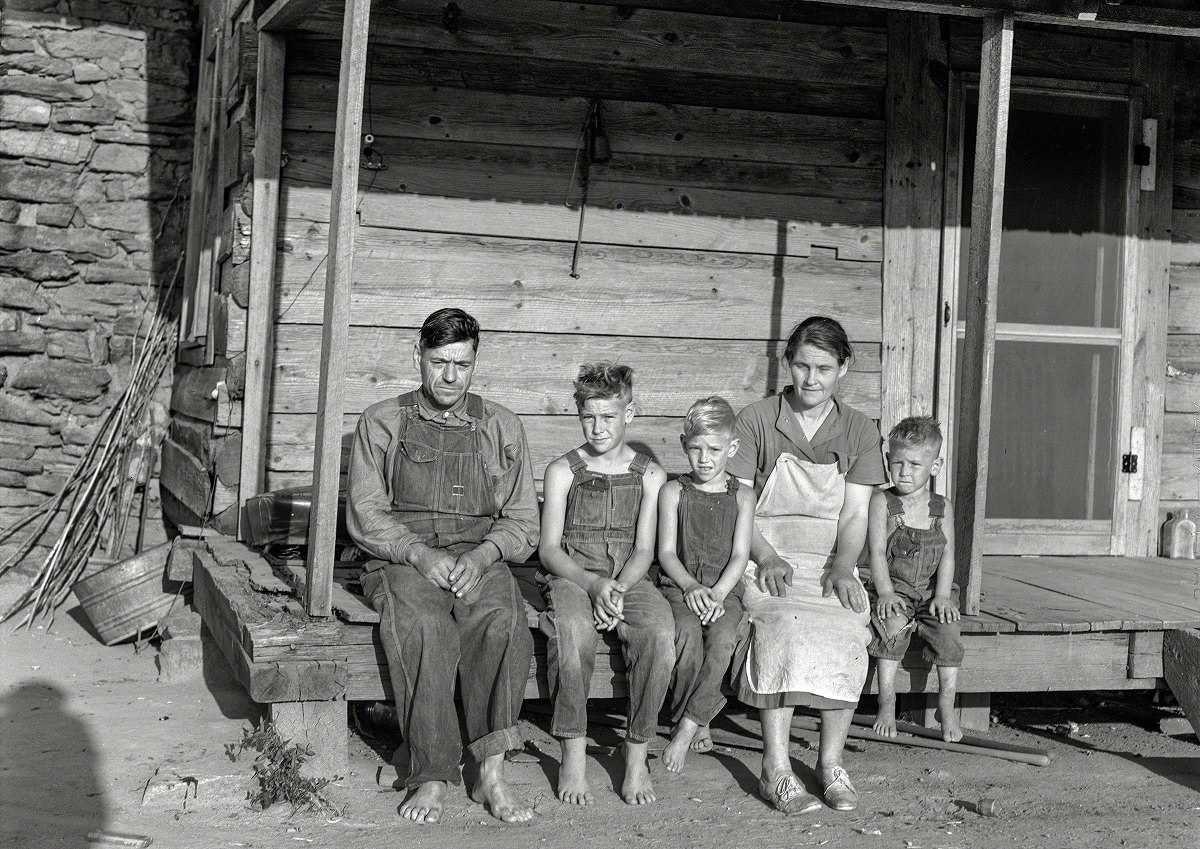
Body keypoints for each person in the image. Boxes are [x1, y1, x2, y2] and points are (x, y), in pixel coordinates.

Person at [345, 308, 538, 825]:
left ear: (476, 362)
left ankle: (490, 773)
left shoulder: (501, 425)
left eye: (463, 364)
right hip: (403, 558)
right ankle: (431, 774)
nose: (451, 376)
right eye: (439, 362)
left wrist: (483, 556)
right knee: (427, 626)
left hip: (478, 557)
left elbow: (521, 521)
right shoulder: (381, 420)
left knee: (501, 622)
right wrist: (419, 555)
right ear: (418, 358)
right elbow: (365, 513)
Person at [725, 316, 887, 815]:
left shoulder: (860, 429)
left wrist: (842, 567)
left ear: (844, 368)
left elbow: (856, 511)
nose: (811, 379)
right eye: (801, 366)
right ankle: (776, 767)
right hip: (765, 551)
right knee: (783, 627)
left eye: (823, 367)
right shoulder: (757, 419)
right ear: (787, 363)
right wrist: (766, 555)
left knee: (846, 625)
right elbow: (739, 502)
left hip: (830, 557)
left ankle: (830, 762)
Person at [538, 362, 674, 806]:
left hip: (629, 580)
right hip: (574, 575)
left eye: (608, 416)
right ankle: (573, 751)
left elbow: (644, 551)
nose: (597, 427)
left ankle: (636, 752)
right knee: (573, 632)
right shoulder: (563, 471)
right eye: (588, 416)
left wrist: (615, 588)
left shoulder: (650, 475)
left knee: (659, 633)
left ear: (629, 413)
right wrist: (593, 584)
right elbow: (550, 550)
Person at [656, 397, 756, 774]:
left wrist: (716, 593)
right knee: (685, 636)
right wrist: (690, 588)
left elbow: (740, 556)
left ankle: (686, 726)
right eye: (695, 448)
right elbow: (666, 552)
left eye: (714, 449)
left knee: (724, 640)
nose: (704, 458)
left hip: (723, 591)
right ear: (684, 444)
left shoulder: (743, 496)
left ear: (731, 448)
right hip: (679, 587)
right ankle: (698, 717)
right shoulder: (673, 492)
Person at [866, 416, 964, 743]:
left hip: (932, 592)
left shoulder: (942, 507)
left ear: (934, 467)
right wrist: (884, 592)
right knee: (891, 629)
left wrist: (942, 596)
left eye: (914, 464)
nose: (904, 472)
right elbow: (877, 552)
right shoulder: (883, 502)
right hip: (894, 590)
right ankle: (887, 701)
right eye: (897, 463)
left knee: (948, 632)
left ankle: (946, 705)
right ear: (887, 461)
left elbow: (947, 555)